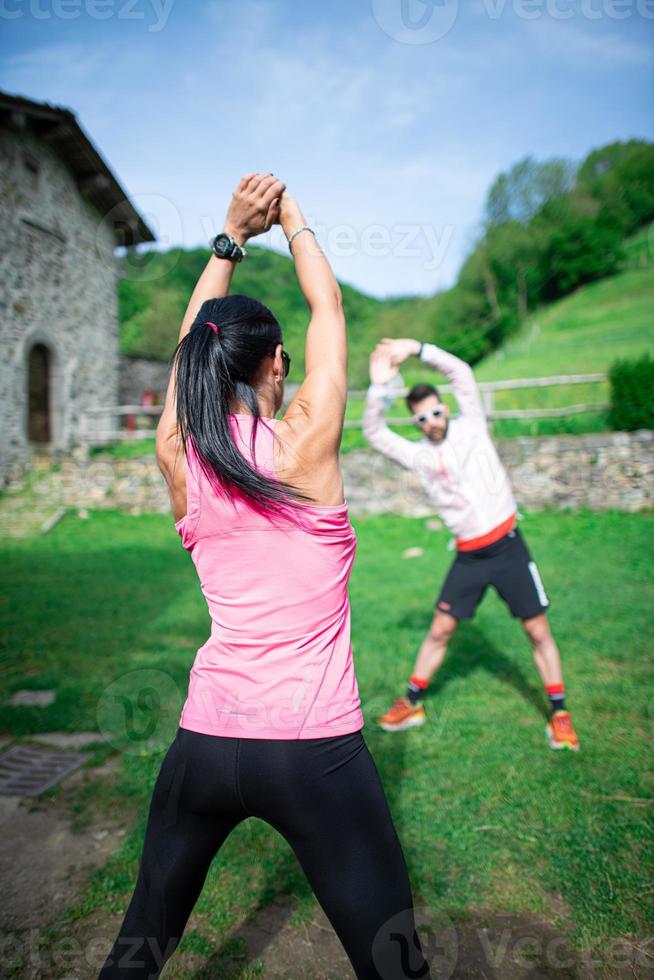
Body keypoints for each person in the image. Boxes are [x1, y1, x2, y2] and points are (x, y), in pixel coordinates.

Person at [98, 175, 432, 979]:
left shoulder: (182, 455)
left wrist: (229, 237)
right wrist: (296, 222)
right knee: (394, 962)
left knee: (141, 943)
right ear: (275, 361)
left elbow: (191, 362)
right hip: (313, 751)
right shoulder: (307, 445)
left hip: (206, 742)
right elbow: (333, 314)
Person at [363, 337, 580, 751]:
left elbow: (460, 372)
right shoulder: (419, 456)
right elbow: (374, 433)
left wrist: (417, 348)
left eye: (435, 412)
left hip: (507, 546)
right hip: (468, 556)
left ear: (445, 407)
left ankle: (559, 712)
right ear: (417, 423)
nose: (431, 421)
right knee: (441, 628)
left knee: (536, 629)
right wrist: (378, 387)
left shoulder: (472, 427)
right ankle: (411, 702)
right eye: (421, 418)